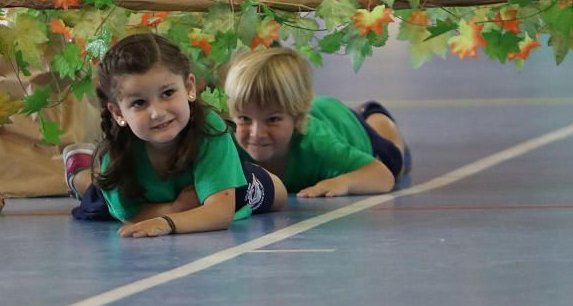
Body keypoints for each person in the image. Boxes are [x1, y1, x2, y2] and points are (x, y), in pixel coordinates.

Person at [62, 33, 287, 238]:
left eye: (168, 93)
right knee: (95, 201)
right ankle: (78, 171)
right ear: (119, 112)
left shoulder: (208, 129)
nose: (158, 113)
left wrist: (167, 222)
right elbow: (130, 216)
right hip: (144, 194)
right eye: (139, 103)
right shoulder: (118, 151)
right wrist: (176, 208)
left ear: (189, 87)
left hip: (213, 183)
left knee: (277, 194)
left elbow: (219, 213)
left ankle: (81, 171)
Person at [224, 47, 411, 198]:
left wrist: (342, 182)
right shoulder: (229, 144)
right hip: (323, 111)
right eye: (244, 119)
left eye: (273, 119)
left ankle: (376, 115)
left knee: (395, 161)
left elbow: (383, 176)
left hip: (347, 124)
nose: (257, 133)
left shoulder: (317, 145)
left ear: (297, 118)